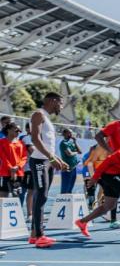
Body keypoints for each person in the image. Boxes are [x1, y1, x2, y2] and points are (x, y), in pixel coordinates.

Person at [29, 93, 69, 248]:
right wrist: (52, 159)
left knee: (42, 197)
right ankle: (39, 236)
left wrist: (58, 160)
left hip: (47, 161)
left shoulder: (46, 117)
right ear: (53, 101)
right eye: (61, 103)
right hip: (39, 161)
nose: (61, 107)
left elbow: (49, 146)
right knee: (41, 196)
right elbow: (35, 139)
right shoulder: (38, 114)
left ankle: (34, 235)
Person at [0, 122, 26, 199]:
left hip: (18, 172)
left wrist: (17, 167)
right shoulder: (1, 142)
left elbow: (24, 157)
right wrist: (11, 169)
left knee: (16, 195)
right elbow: (3, 157)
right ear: (8, 130)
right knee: (3, 195)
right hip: (4, 172)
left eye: (19, 131)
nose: (18, 132)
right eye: (16, 130)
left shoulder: (21, 143)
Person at [59, 129, 82, 194]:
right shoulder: (63, 143)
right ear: (64, 134)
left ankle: (68, 203)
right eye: (69, 133)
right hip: (67, 168)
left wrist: (75, 142)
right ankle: (62, 202)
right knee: (65, 189)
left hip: (73, 168)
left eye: (71, 133)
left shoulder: (71, 142)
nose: (71, 134)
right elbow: (69, 154)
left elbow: (80, 151)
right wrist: (76, 152)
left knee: (70, 188)